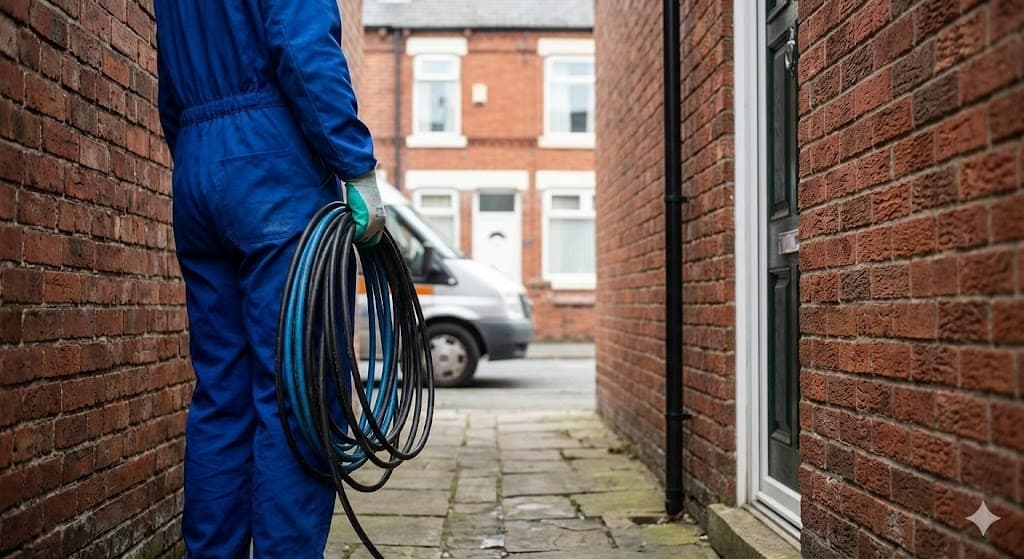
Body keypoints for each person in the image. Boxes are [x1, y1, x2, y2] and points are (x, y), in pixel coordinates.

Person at [152, 1, 385, 556]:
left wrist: (197, 159)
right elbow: (303, 51)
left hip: (197, 162)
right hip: (273, 167)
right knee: (295, 395)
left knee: (222, 395)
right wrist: (357, 166)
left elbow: (168, 85)